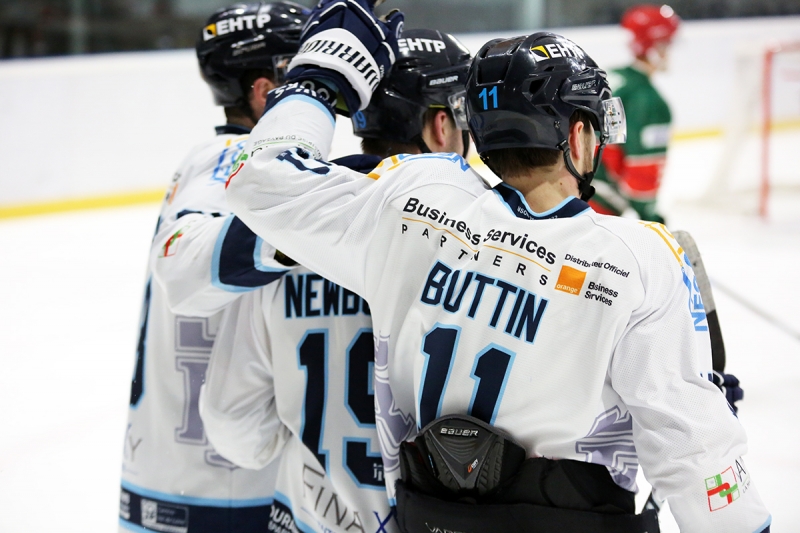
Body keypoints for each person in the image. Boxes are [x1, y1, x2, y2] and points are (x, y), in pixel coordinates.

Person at [223, 1, 771, 531]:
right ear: (579, 137)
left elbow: (259, 177)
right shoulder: (638, 258)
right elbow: (696, 460)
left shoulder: (415, 199)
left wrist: (320, 75)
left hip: (426, 517)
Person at [198, 28, 473, 533]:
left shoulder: (283, 227)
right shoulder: (482, 240)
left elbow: (233, 423)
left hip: (304, 519)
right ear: (440, 126)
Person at [119, 4, 309, 532]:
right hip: (217, 495)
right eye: (302, 74)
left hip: (182, 482)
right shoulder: (233, 163)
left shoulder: (217, 161)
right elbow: (189, 265)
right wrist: (302, 230)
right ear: (265, 90)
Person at [590, 4, 680, 223]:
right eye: (666, 43)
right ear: (654, 46)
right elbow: (642, 176)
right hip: (598, 209)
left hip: (566, 194)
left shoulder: (610, 78)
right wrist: (651, 217)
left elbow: (611, 138)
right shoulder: (650, 102)